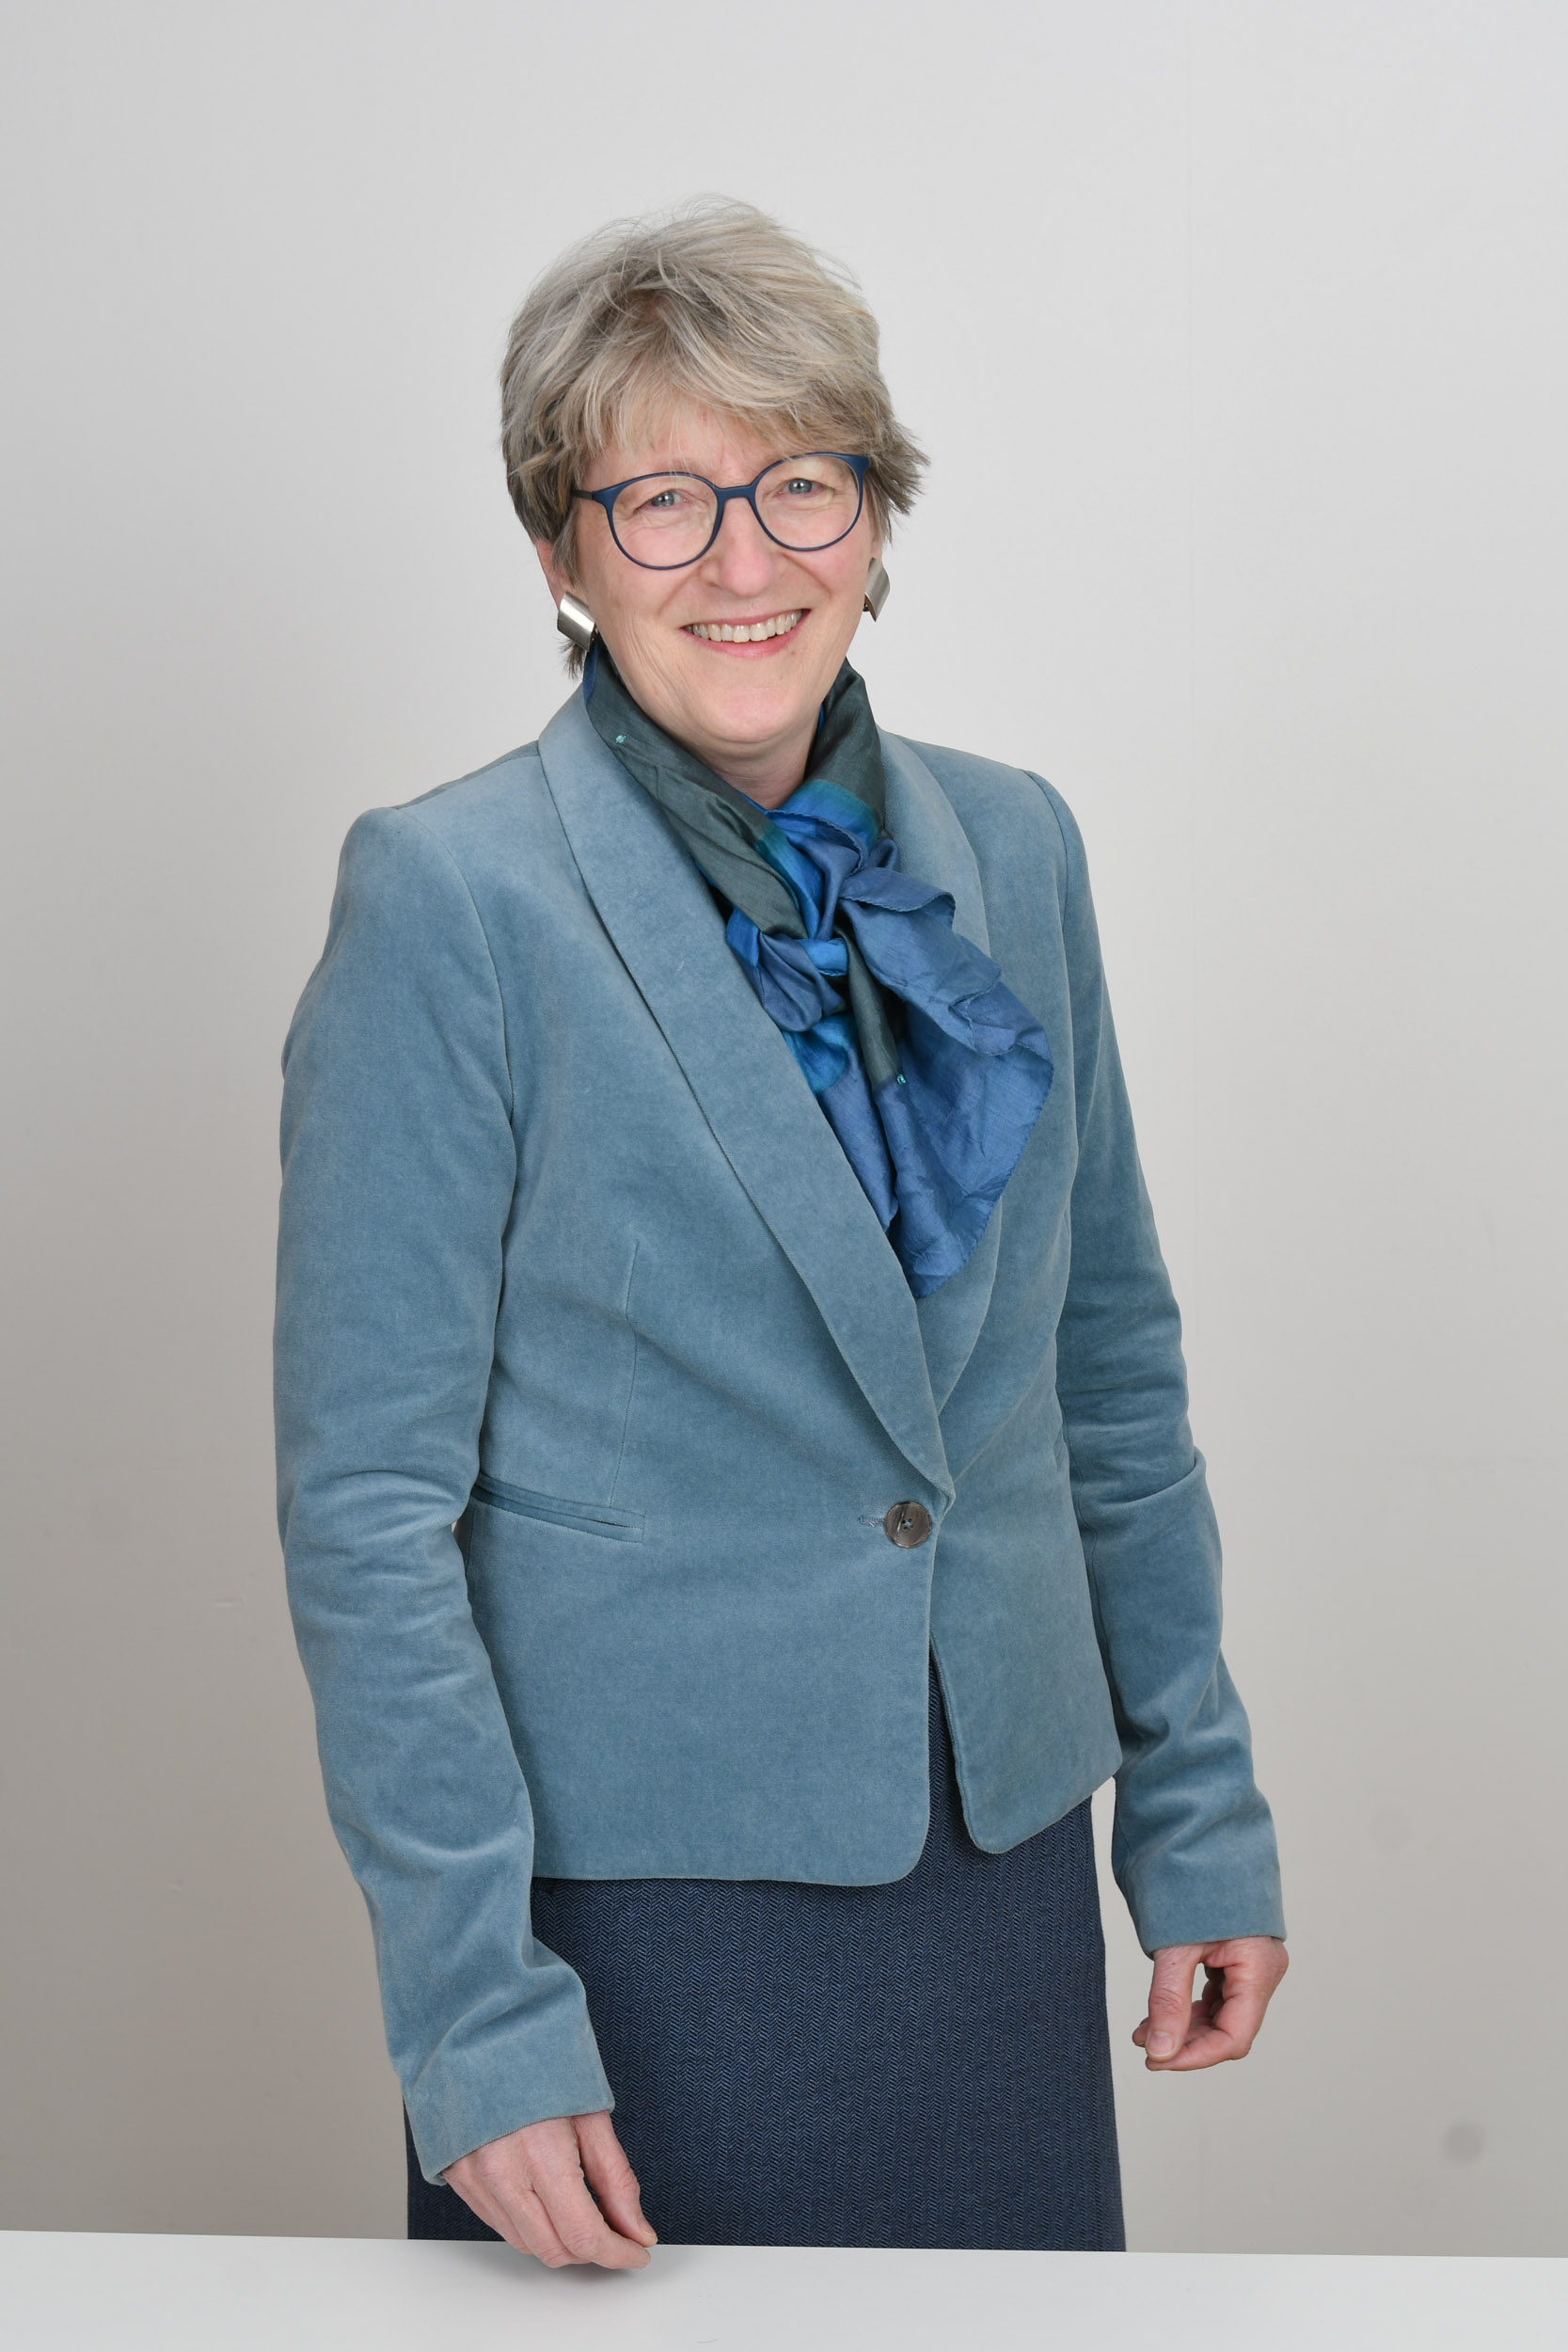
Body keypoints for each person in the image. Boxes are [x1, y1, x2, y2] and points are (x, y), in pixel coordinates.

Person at [275, 198, 1287, 2270]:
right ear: (560, 551)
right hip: (638, 1927)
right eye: (663, 500)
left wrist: (1195, 1809)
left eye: (798, 484)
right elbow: (370, 1511)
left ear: (873, 514)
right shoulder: (450, 899)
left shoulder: (1016, 842)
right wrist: (472, 2011)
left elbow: (1108, 1368)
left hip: (997, 1866)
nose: (745, 564)